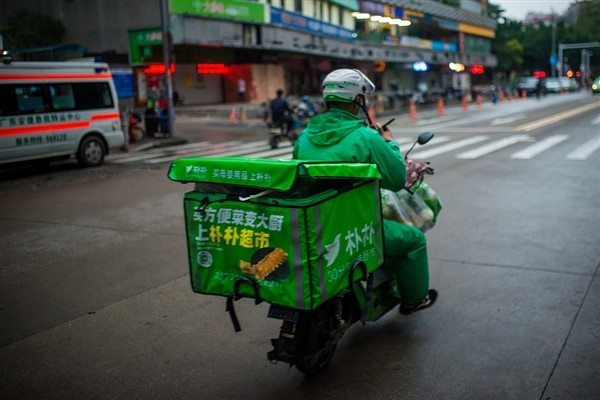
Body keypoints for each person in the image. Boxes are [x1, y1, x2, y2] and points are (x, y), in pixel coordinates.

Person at [292, 68, 438, 315]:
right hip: (355, 227)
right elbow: (396, 179)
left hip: (317, 224)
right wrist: (388, 142)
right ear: (357, 99)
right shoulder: (366, 137)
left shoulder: (304, 138)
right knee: (414, 240)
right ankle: (414, 299)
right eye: (364, 98)